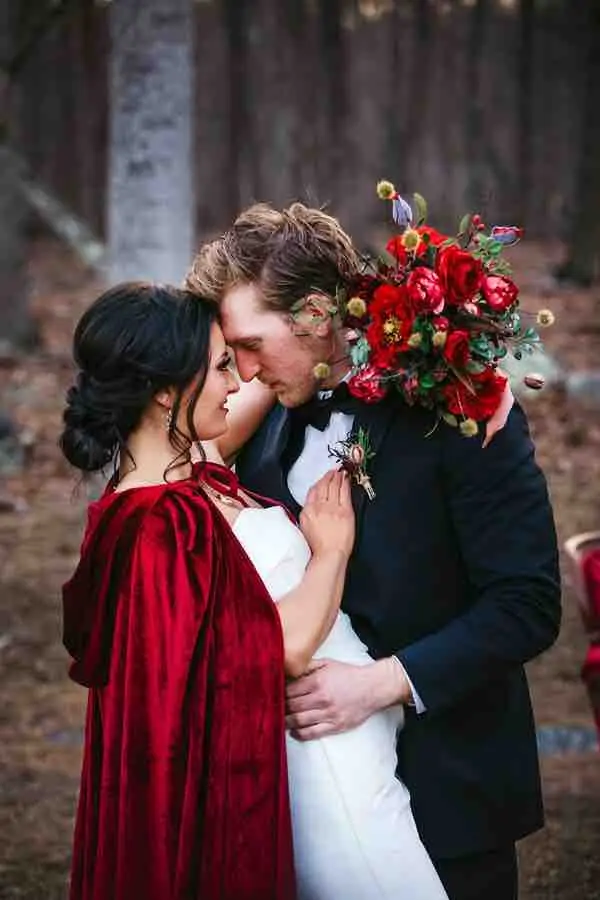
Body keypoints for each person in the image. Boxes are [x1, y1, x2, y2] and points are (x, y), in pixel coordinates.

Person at [185, 201, 562, 900]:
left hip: (449, 789)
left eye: (251, 344)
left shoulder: (462, 413)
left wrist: (382, 684)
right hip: (302, 799)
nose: (240, 371)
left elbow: (528, 603)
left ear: (319, 315)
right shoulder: (269, 425)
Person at [60, 282, 359, 900]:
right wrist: (330, 553)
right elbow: (279, 652)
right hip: (208, 810)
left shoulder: (168, 474)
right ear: (166, 390)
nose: (236, 381)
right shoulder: (167, 524)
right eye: (222, 366)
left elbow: (280, 376)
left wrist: (402, 348)